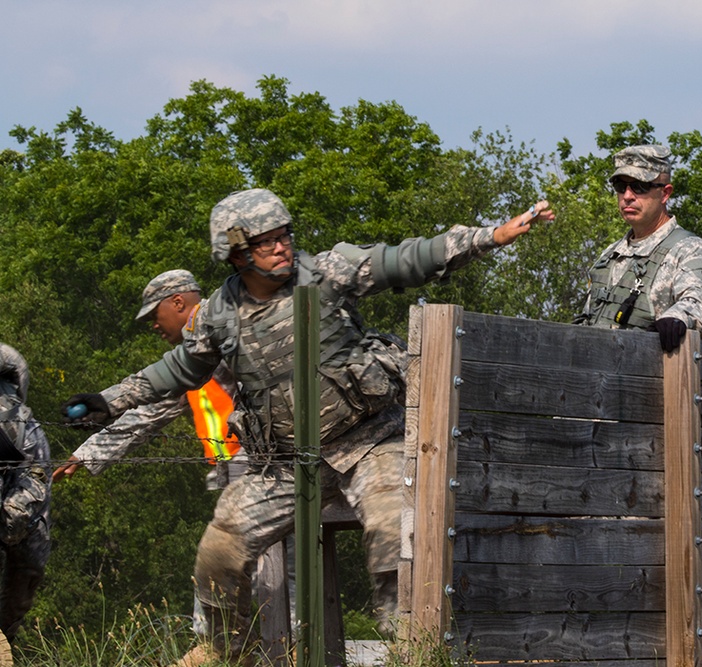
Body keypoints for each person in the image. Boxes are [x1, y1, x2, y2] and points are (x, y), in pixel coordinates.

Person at [62, 188, 553, 664]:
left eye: (284, 234)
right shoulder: (217, 314)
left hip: (368, 440)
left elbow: (407, 259)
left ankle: (414, 653)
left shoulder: (326, 273)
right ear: (235, 254)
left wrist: (490, 236)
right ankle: (227, 652)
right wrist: (108, 400)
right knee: (219, 550)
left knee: (393, 537)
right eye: (265, 241)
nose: (281, 246)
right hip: (287, 463)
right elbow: (177, 371)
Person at [52, 270, 243, 489]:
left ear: (178, 302)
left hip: (266, 464)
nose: (154, 325)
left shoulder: (226, 330)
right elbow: (147, 414)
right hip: (239, 470)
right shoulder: (195, 359)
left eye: (155, 315)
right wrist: (87, 454)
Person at [575, 144, 702, 351]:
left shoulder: (688, 249)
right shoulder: (610, 255)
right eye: (621, 186)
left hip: (651, 375)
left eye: (640, 186)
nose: (627, 195)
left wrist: (677, 317)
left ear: (665, 194)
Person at [0, 343, 51, 647]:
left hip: (27, 458)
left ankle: (5, 634)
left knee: (29, 559)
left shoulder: (24, 426)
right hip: (26, 448)